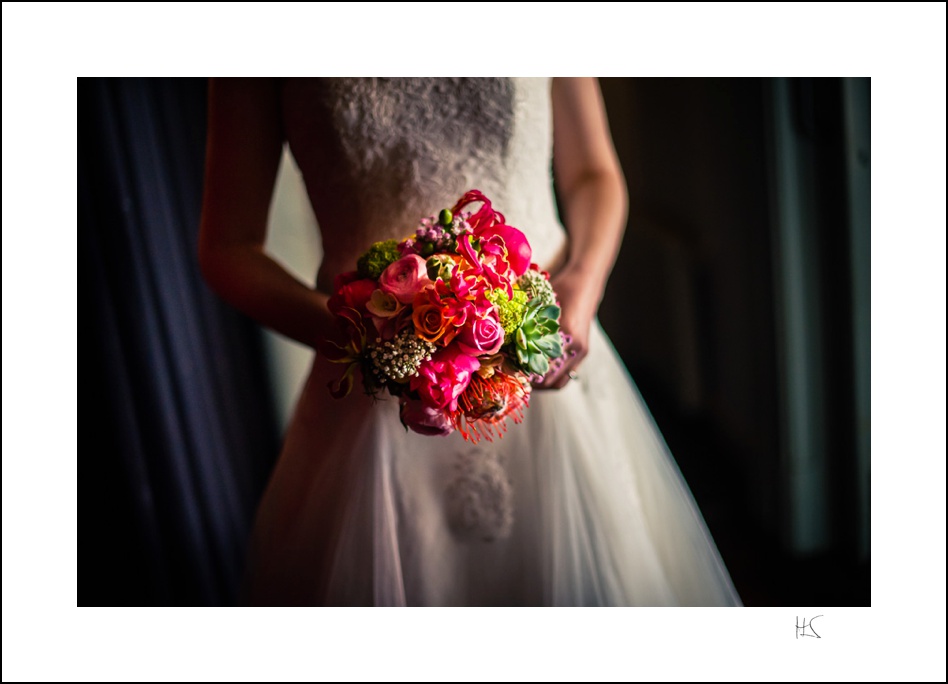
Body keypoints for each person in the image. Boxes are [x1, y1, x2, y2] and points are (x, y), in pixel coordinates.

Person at [198, 77, 742, 606]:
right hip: (375, 401)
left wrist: (582, 285)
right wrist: (374, 341)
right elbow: (228, 247)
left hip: (545, 364)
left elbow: (593, 173)